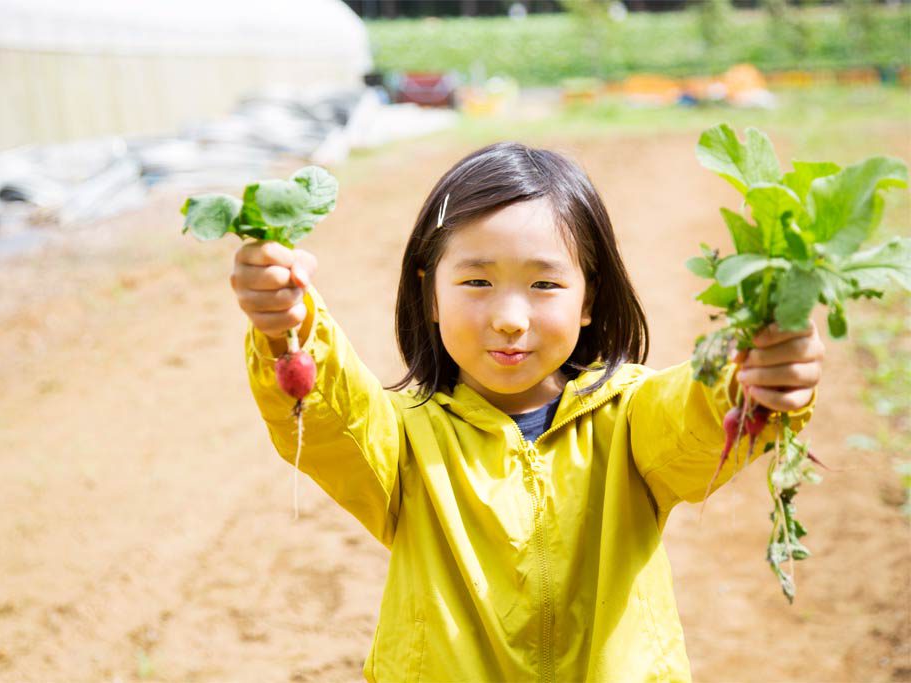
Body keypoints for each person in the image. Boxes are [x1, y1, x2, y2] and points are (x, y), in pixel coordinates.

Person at [231, 142, 824, 682]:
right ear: (428, 293)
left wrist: (754, 380)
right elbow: (337, 413)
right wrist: (288, 325)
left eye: (544, 285)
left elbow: (694, 414)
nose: (511, 316)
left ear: (588, 299)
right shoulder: (404, 439)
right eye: (477, 281)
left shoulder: (630, 417)